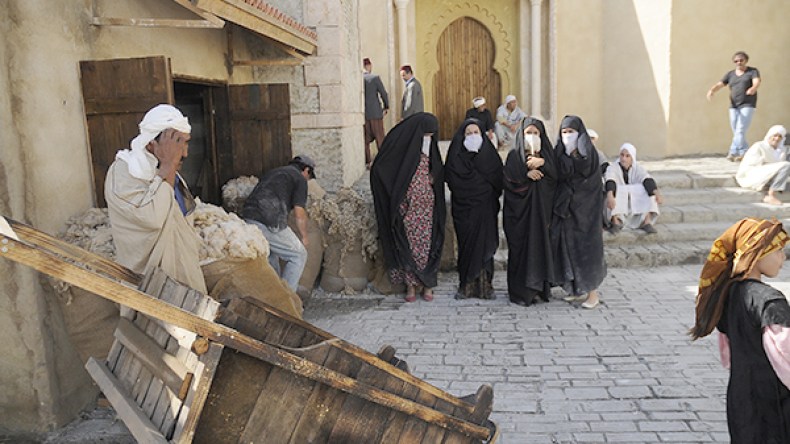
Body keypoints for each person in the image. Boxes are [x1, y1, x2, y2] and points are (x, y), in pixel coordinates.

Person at [690, 218, 790, 443]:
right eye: (778, 251)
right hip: (775, 402)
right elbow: (786, 357)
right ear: (757, 252)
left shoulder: (727, 294)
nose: (783, 258)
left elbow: (727, 355)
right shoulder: (770, 301)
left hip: (741, 396)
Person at [105, 104, 207, 293]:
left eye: (186, 142)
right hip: (150, 289)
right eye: (176, 143)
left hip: (187, 285)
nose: (184, 153)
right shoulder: (123, 172)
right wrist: (168, 165)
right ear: (151, 143)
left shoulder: (171, 174)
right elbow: (151, 218)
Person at [370, 113, 446, 302]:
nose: (428, 139)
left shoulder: (429, 144)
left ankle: (427, 284)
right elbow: (382, 166)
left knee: (427, 244)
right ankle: (410, 286)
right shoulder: (402, 142)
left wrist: (434, 177)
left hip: (427, 206)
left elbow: (437, 166)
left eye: (431, 136)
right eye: (426, 135)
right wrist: (397, 188)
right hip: (406, 205)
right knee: (407, 243)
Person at [552, 115, 607, 309]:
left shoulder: (588, 155)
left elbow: (591, 184)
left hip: (586, 213)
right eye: (564, 132)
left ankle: (593, 294)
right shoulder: (561, 154)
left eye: (571, 132)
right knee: (569, 250)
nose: (568, 136)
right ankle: (577, 290)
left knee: (587, 252)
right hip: (567, 213)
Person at [445, 118, 503, 300]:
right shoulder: (456, 156)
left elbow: (498, 179)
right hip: (464, 210)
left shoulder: (490, 155)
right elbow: (453, 180)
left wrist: (483, 190)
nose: (472, 136)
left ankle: (487, 285)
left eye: (476, 132)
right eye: (468, 133)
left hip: (485, 209)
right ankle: (466, 285)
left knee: (485, 246)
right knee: (467, 247)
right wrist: (479, 187)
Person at [503, 117, 557, 306]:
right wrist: (525, 175)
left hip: (542, 216)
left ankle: (539, 290)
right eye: (528, 133)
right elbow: (508, 181)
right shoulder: (514, 157)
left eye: (536, 133)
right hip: (520, 217)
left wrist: (544, 164)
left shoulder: (548, 156)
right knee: (521, 251)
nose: (532, 137)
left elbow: (556, 179)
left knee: (540, 248)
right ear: (521, 135)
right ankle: (521, 292)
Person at [242, 155, 315, 291]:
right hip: (270, 219)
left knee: (272, 257)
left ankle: (274, 299)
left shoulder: (275, 172)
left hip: (249, 217)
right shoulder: (299, 179)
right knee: (298, 255)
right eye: (309, 176)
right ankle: (286, 301)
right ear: (306, 170)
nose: (308, 180)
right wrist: (304, 237)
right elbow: (299, 212)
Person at [707, 51, 761, 161]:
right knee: (736, 130)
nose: (739, 62)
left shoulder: (752, 71)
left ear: (746, 60)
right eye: (736, 61)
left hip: (747, 104)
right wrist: (712, 90)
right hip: (734, 105)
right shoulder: (730, 74)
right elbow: (720, 84)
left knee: (740, 129)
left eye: (741, 60)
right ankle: (744, 152)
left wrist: (753, 88)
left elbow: (757, 81)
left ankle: (733, 152)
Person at [605, 143, 663, 234]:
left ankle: (646, 222)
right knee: (616, 190)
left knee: (648, 191)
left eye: (627, 156)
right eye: (622, 155)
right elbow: (610, 180)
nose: (624, 158)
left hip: (635, 200)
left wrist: (657, 193)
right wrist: (610, 196)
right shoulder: (612, 168)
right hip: (619, 199)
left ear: (632, 157)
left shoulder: (638, 168)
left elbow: (646, 179)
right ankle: (615, 221)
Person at [736, 125, 790, 206]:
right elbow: (752, 164)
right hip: (753, 173)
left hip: (771, 174)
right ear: (769, 135)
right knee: (786, 165)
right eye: (775, 135)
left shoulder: (782, 150)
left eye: (780, 136)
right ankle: (770, 195)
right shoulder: (759, 146)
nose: (777, 138)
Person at [363, 57, 389, 169]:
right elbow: (383, 93)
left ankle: (368, 162)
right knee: (380, 138)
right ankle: (383, 161)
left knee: (365, 140)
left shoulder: (357, 79)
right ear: (369, 66)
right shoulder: (374, 78)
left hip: (363, 114)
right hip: (376, 113)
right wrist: (386, 106)